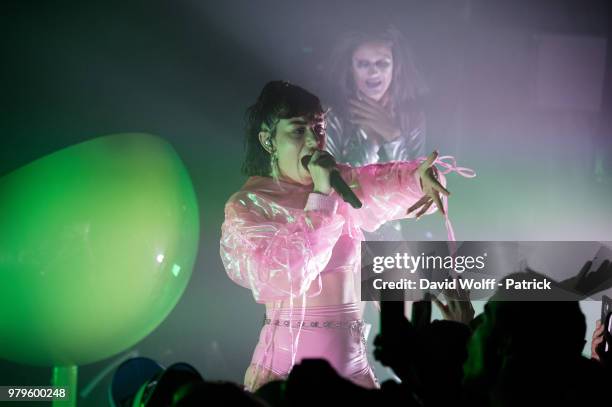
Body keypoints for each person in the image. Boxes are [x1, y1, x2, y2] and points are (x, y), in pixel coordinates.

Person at [220, 80, 460, 391]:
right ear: (268, 141)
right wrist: (320, 197)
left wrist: (421, 178)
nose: (313, 142)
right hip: (284, 379)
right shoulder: (247, 206)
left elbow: (381, 183)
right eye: (297, 131)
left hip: (352, 373)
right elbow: (283, 275)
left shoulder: (339, 181)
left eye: (318, 129)